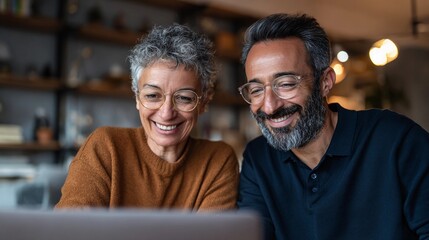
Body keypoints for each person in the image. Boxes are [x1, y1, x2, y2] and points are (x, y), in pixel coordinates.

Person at [237, 13, 429, 240]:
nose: (269, 106)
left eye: (286, 84)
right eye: (257, 90)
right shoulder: (258, 159)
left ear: (325, 82)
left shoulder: (396, 139)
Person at [56, 24, 239, 210]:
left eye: (184, 98)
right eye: (152, 96)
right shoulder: (105, 147)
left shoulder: (217, 161)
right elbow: (68, 230)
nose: (166, 113)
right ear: (137, 97)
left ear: (204, 102)